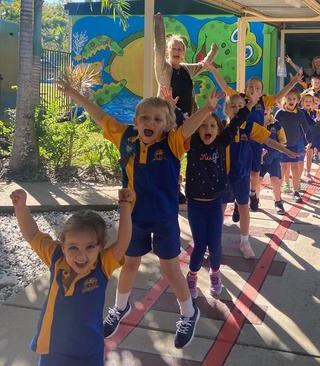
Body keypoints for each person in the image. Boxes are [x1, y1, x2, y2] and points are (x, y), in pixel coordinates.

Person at [58, 79, 221, 349]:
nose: (150, 122)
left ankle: (189, 313)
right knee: (129, 263)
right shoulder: (125, 137)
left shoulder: (173, 143)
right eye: (145, 117)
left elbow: (187, 127)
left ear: (167, 125)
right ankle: (121, 307)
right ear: (135, 120)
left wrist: (206, 109)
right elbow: (100, 115)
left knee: (169, 268)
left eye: (158, 119)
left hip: (165, 217)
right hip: (133, 217)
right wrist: (76, 95)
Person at [10, 187, 133, 366]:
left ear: (101, 246)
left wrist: (125, 206)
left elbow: (123, 243)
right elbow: (32, 234)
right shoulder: (56, 256)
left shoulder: (102, 265)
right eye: (73, 247)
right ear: (62, 244)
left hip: (88, 352)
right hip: (52, 348)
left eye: (90, 247)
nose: (81, 255)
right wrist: (20, 207)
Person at [204, 62, 302, 258]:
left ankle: (245, 239)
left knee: (251, 184)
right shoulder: (221, 127)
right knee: (220, 207)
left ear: (262, 91)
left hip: (246, 159)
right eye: (234, 107)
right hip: (223, 174)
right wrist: (212, 68)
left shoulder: (257, 113)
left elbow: (268, 138)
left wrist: (286, 151)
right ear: (227, 109)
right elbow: (223, 87)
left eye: (257, 88)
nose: (239, 108)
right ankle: (213, 242)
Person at [184, 95, 259, 297]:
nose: (208, 129)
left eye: (212, 126)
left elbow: (235, 123)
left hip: (214, 203)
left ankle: (215, 275)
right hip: (196, 206)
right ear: (197, 129)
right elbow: (182, 127)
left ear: (219, 131)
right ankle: (191, 277)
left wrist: (249, 105)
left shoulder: (221, 143)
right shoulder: (192, 145)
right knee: (200, 245)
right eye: (203, 126)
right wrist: (173, 108)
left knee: (215, 245)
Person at [154, 12, 218, 204]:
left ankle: (179, 187)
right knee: (168, 154)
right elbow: (158, 47)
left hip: (185, 118)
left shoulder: (186, 69)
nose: (178, 51)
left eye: (181, 49)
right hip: (167, 119)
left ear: (184, 53)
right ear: (169, 51)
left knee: (182, 153)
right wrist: (159, 23)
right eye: (174, 48)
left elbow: (201, 66)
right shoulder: (164, 69)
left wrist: (212, 53)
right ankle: (168, 188)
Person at [277, 89, 312, 200]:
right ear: (284, 100)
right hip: (282, 145)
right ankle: (278, 192)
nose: (291, 101)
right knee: (283, 167)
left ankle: (296, 191)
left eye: (293, 99)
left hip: (295, 144)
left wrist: (309, 141)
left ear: (297, 101)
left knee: (295, 167)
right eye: (289, 99)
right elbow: (273, 127)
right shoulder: (280, 113)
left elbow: (306, 128)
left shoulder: (300, 114)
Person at [257, 108, 288, 215]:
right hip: (259, 159)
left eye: (267, 107)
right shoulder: (256, 123)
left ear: (271, 109)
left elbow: (283, 141)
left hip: (274, 158)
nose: (264, 110)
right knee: (257, 180)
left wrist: (279, 149)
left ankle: (278, 201)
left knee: (275, 180)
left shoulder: (276, 124)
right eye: (262, 107)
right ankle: (255, 200)